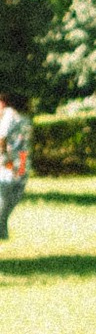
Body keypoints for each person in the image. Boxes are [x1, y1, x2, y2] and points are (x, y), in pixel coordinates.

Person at [0, 89, 29, 239]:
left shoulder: (15, 114)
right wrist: (5, 157)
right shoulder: (10, 114)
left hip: (20, 161)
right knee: (6, 196)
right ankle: (2, 231)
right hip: (11, 162)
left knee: (13, 194)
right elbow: (2, 137)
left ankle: (2, 229)